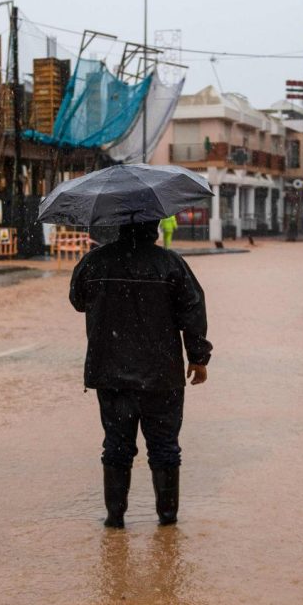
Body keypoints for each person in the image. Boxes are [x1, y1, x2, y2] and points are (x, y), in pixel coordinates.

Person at [70, 221, 212, 528]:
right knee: (164, 447)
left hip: (111, 372)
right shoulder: (170, 263)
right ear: (155, 227)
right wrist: (198, 358)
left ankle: (115, 519)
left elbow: (78, 301)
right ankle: (168, 520)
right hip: (161, 376)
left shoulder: (95, 261)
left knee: (117, 445)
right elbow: (193, 309)